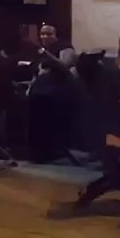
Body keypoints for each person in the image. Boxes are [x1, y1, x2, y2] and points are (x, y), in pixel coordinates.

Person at [27, 24, 78, 162]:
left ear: (56, 34)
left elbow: (65, 65)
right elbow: (36, 72)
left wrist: (46, 54)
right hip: (41, 88)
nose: (45, 37)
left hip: (60, 89)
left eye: (49, 34)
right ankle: (34, 149)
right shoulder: (40, 51)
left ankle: (48, 150)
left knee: (42, 103)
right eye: (42, 34)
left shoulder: (65, 47)